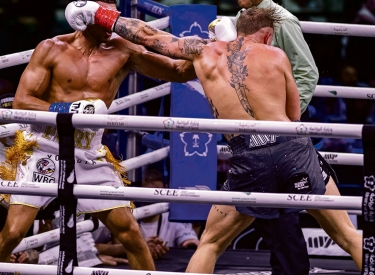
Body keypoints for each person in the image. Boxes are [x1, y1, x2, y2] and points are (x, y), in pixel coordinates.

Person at [64, 3, 363, 272]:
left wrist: (99, 13)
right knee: (348, 235)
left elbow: (149, 37)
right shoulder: (277, 55)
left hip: (250, 157)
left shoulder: (204, 53)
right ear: (268, 34)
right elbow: (294, 116)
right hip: (292, 149)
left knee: (211, 243)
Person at [0, 0, 197, 271]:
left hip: (89, 152)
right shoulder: (52, 48)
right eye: (104, 17)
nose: (111, 24)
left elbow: (177, 71)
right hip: (44, 147)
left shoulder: (123, 50)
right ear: (84, 16)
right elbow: (23, 102)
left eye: (113, 16)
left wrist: (211, 53)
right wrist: (69, 110)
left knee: (131, 234)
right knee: (13, 233)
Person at [234, 1, 319, 274]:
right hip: (256, 136)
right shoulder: (242, 17)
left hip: (279, 136)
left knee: (286, 215)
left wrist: (284, 121)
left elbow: (307, 72)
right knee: (277, 215)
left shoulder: (283, 21)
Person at [139, 169, 199, 259]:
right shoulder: (128, 216)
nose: (151, 199)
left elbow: (189, 239)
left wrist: (190, 242)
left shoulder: (173, 217)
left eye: (157, 193)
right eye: (148, 193)